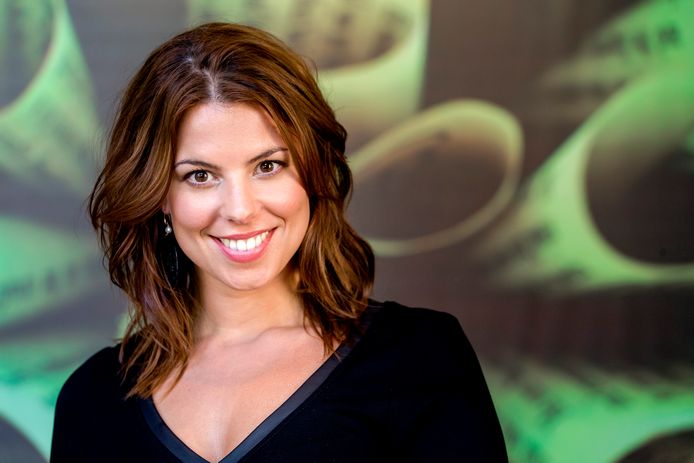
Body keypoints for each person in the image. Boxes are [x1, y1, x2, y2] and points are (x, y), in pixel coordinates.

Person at [50, 23, 507, 462]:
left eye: (267, 166)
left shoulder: (419, 358)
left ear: (312, 170)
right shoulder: (92, 399)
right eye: (200, 175)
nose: (240, 209)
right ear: (160, 197)